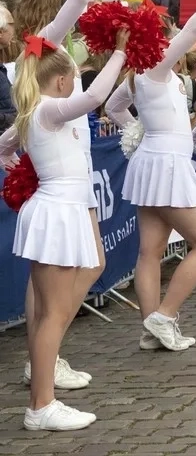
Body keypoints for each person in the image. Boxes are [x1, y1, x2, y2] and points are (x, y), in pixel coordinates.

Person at [3, 25, 127, 431]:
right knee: (52, 316)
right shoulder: (46, 110)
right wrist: (120, 53)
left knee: (49, 316)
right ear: (60, 81)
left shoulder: (40, 109)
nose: (76, 85)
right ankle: (41, 405)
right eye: (71, 78)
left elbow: (7, 144)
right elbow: (93, 96)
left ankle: (42, 399)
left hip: (62, 210)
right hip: (56, 213)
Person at [10, 0, 107, 395]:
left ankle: (43, 357)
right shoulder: (44, 48)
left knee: (58, 277)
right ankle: (45, 356)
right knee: (75, 274)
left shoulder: (40, 55)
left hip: (70, 171)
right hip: (64, 180)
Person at [105, 0, 196, 352]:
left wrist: (139, 132)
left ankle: (151, 329)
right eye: (166, 34)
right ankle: (164, 315)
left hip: (154, 161)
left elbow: (114, 107)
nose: (172, 38)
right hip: (166, 164)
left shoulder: (141, 75)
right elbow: (192, 32)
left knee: (150, 252)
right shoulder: (154, 68)